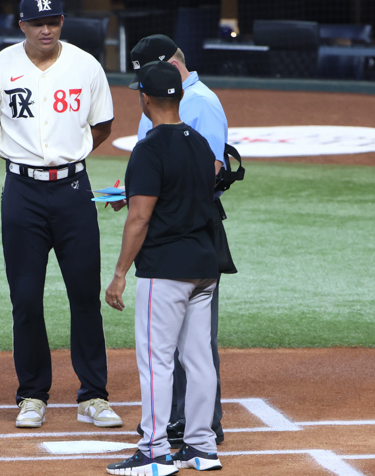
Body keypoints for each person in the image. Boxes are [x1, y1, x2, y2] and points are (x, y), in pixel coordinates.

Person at [0, 0, 122, 429]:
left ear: (62, 23)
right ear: (22, 25)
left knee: (84, 296)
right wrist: (22, 158)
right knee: (25, 298)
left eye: (53, 21)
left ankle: (93, 395)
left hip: (74, 192)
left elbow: (102, 125)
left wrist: (69, 156)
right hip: (22, 194)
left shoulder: (85, 66)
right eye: (37, 23)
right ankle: (32, 395)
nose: (46, 29)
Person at [105, 61, 222, 475]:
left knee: (156, 360)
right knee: (199, 360)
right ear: (180, 95)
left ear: (145, 99)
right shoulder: (201, 144)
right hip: (205, 265)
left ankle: (154, 450)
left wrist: (119, 273)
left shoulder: (149, 148)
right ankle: (202, 447)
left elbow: (140, 218)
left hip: (166, 270)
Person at [129, 34, 234, 446]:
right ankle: (189, 430)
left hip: (183, 234)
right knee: (182, 346)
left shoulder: (201, 103)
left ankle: (195, 427)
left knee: (185, 346)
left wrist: (154, 200)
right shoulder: (172, 108)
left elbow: (211, 174)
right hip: (171, 230)